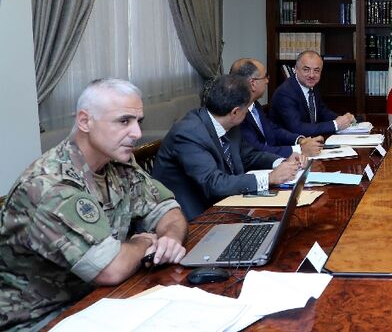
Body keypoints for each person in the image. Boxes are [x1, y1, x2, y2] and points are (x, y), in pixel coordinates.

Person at [0, 79, 187, 330]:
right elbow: (110, 269)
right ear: (85, 121)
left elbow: (167, 209)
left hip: (101, 300)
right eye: (124, 121)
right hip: (43, 319)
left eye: (137, 121)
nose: (137, 133)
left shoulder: (117, 163)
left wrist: (169, 239)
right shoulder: (49, 186)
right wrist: (143, 242)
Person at [152, 75, 306, 220]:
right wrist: (270, 178)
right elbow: (214, 184)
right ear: (235, 112)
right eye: (247, 109)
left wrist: (281, 163)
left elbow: (248, 156)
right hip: (192, 216)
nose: (247, 113)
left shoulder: (227, 122)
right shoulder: (189, 133)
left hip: (226, 202)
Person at [229, 58, 323, 157]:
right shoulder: (237, 112)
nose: (267, 81)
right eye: (265, 77)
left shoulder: (254, 104)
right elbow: (256, 149)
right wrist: (299, 149)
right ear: (252, 83)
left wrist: (300, 140)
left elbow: (271, 129)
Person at [270, 50, 356, 136]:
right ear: (296, 69)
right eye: (306, 70)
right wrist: (336, 124)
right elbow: (297, 128)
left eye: (316, 70)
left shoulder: (312, 86)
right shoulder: (285, 93)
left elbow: (322, 112)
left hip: (311, 141)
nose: (312, 75)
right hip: (289, 146)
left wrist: (343, 119)